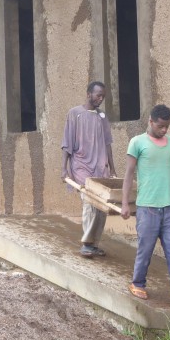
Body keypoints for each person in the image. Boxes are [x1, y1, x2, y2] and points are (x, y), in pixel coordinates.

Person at [121, 105, 170, 307]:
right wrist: (125, 203)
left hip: (169, 208)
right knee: (145, 249)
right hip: (147, 208)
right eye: (161, 126)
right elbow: (128, 174)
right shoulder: (137, 143)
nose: (164, 130)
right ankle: (137, 284)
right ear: (151, 122)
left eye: (167, 126)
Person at [61, 81, 116, 258]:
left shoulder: (102, 117)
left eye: (103, 96)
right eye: (98, 95)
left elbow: (108, 144)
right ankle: (86, 243)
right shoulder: (74, 114)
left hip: (100, 167)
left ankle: (94, 244)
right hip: (81, 165)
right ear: (88, 94)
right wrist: (64, 169)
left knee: (101, 206)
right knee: (90, 202)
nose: (101, 99)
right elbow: (67, 143)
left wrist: (112, 169)